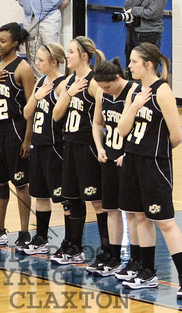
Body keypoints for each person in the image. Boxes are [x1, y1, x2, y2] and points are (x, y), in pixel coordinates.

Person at [117, 43, 182, 300]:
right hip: (132, 160)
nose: (129, 66)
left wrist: (155, 150)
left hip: (155, 163)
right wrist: (134, 106)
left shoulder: (163, 91)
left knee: (165, 222)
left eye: (134, 62)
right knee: (140, 218)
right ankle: (148, 272)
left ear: (148, 64)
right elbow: (122, 130)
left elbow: (177, 135)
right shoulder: (134, 92)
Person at [0, 22, 35, 249]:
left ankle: (24, 232)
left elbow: (31, 106)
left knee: (21, 183)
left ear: (15, 43)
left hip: (16, 129)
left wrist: (28, 138)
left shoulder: (23, 68)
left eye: (3, 41)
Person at [51, 36, 106, 266]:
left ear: (84, 56)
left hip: (87, 148)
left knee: (97, 201)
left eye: (71, 51)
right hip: (69, 146)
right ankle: (73, 246)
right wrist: (69, 92)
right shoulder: (68, 82)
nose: (67, 55)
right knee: (71, 198)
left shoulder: (94, 83)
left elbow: (102, 119)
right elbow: (56, 115)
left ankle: (107, 250)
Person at [91, 59, 140, 277]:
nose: (105, 91)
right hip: (108, 157)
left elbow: (141, 129)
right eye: (101, 87)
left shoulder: (132, 92)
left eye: (107, 86)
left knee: (131, 212)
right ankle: (114, 256)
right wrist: (100, 147)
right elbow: (97, 123)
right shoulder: (102, 94)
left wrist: (127, 152)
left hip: (127, 161)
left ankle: (136, 260)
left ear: (118, 78)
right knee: (111, 209)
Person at [21, 43, 66, 255]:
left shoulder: (62, 84)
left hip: (55, 147)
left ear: (54, 61)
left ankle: (71, 241)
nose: (36, 63)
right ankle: (41, 237)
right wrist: (36, 97)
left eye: (41, 60)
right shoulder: (41, 82)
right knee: (40, 195)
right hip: (38, 145)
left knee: (63, 196)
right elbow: (26, 112)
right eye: (36, 59)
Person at [123, 0, 167, 64]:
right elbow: (127, 5)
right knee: (134, 61)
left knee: (148, 62)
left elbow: (151, 13)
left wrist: (134, 10)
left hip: (150, 32)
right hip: (135, 32)